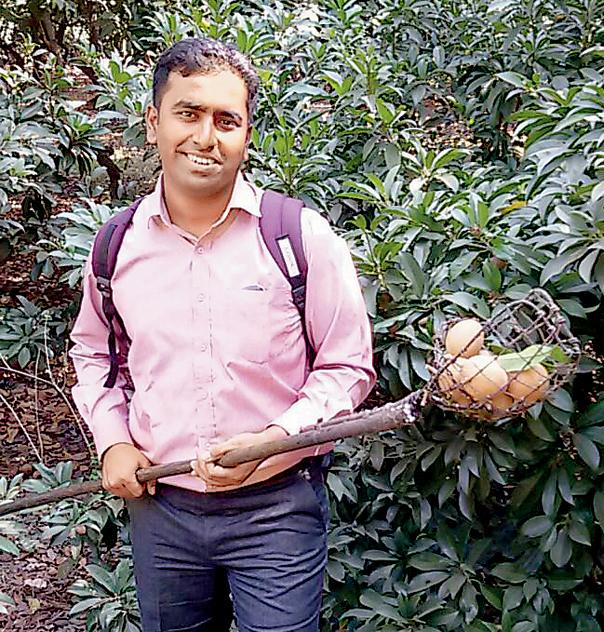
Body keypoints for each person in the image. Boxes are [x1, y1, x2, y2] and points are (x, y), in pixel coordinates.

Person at [69, 38, 376, 632]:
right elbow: (93, 351)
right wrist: (112, 441)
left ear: (247, 133)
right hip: (162, 508)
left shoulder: (296, 238)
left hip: (278, 508)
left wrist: (275, 438)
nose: (206, 137)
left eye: (226, 120)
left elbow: (347, 366)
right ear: (154, 121)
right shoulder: (115, 246)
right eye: (189, 113)